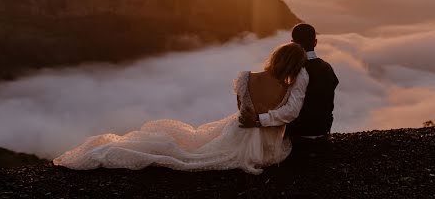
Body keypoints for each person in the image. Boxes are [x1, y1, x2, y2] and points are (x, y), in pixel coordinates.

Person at [53, 42, 307, 175]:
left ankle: (107, 149)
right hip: (264, 142)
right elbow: (289, 115)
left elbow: (242, 110)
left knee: (194, 146)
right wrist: (262, 120)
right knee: (190, 159)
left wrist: (251, 118)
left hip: (238, 127)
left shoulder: (245, 78)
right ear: (296, 66)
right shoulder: (290, 87)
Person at [238, 23, 339, 147]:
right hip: (323, 131)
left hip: (301, 135)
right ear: (315, 42)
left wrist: (258, 119)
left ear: (292, 43)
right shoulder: (327, 67)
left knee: (244, 132)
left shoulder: (300, 71)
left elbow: (292, 111)